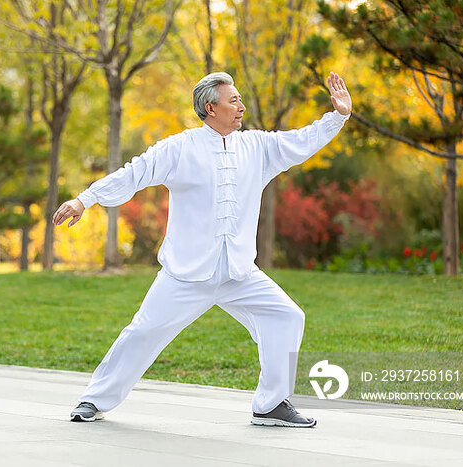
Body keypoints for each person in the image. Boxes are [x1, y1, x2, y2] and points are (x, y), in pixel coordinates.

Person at [53, 71, 352, 427]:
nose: (242, 107)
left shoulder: (257, 147)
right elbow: (134, 173)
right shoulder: (180, 147)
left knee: (287, 316)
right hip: (186, 274)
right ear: (211, 107)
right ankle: (93, 400)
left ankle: (271, 404)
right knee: (143, 332)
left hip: (239, 273)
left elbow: (301, 141)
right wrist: (85, 199)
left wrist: (338, 116)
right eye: (234, 101)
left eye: (240, 100)